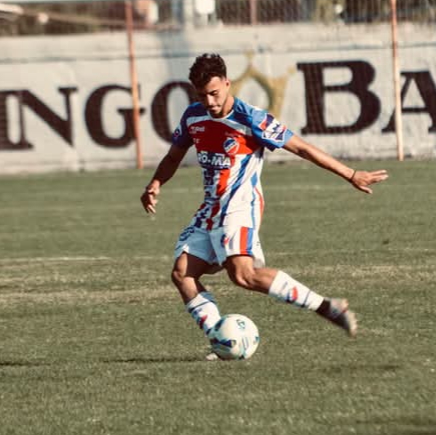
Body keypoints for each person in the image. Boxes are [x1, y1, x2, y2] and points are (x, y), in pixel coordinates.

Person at [140, 53, 388, 359]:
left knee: (243, 275)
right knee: (182, 274)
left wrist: (350, 174)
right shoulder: (194, 116)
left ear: (228, 84)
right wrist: (156, 183)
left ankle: (328, 308)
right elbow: (173, 156)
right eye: (202, 95)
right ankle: (223, 339)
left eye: (215, 93)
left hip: (240, 206)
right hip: (210, 208)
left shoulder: (250, 118)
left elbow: (301, 147)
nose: (210, 102)